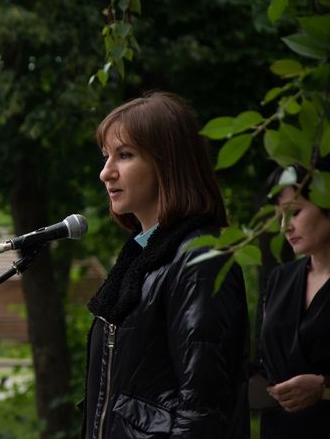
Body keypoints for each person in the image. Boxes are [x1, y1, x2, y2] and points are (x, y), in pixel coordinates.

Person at [82, 91, 249, 438]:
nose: (105, 173)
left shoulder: (200, 261)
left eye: (124, 155)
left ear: (167, 162)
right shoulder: (139, 260)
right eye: (105, 157)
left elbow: (203, 410)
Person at [258, 159, 330, 437]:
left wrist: (324, 388)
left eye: (295, 212)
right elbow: (263, 363)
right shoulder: (279, 279)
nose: (284, 226)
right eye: (279, 216)